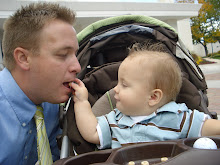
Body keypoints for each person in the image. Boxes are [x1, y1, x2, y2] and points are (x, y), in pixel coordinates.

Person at [70, 41, 220, 149]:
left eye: (124, 84)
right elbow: (92, 133)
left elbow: (207, 127)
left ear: (153, 97)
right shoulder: (115, 120)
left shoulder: (178, 117)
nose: (115, 89)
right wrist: (82, 102)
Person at [0, 2, 81, 165]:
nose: (77, 67)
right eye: (63, 54)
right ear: (23, 58)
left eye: (75, 54)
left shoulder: (48, 102)